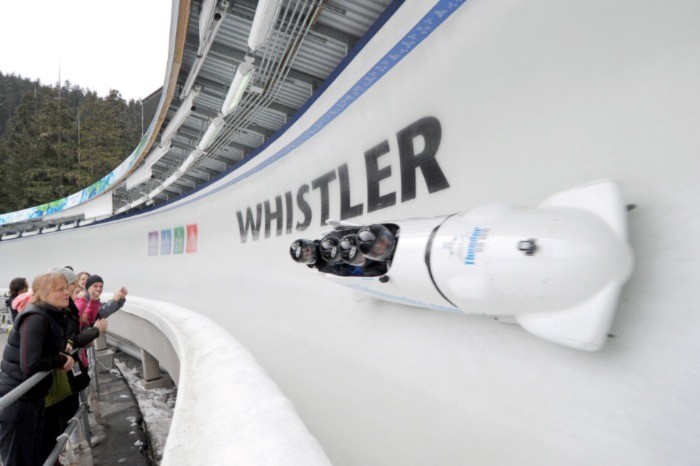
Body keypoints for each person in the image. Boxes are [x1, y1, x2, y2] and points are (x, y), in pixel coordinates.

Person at [0, 272, 75, 466]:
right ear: (44, 293)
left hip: (33, 396)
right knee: (19, 458)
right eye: (61, 289)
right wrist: (59, 361)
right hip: (18, 397)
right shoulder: (35, 318)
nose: (67, 292)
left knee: (34, 453)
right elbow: (30, 364)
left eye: (67, 288)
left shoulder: (52, 313)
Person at [40, 268, 107, 463]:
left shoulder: (68, 307)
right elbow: (76, 333)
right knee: (58, 420)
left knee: (72, 408)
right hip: (56, 380)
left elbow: (78, 327)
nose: (68, 292)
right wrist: (94, 331)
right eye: (64, 288)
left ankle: (72, 447)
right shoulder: (46, 315)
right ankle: (72, 448)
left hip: (70, 369)